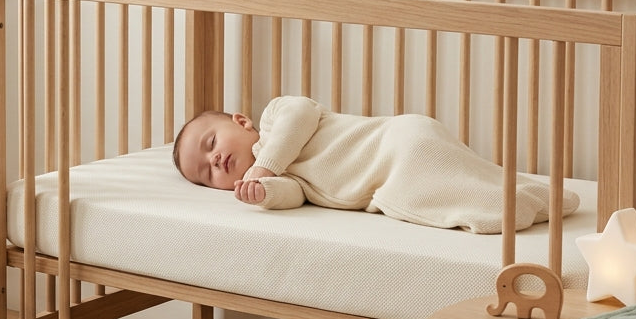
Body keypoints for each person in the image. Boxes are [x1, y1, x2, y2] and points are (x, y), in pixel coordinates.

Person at [172, 95, 578, 234]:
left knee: (452, 182)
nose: (215, 160)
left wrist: (266, 166)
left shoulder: (276, 118)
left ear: (242, 122)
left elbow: (304, 113)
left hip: (396, 143)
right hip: (384, 183)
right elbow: (295, 196)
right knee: (439, 196)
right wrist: (265, 194)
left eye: (211, 144)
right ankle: (523, 199)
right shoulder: (279, 177)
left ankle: (521, 202)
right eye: (207, 174)